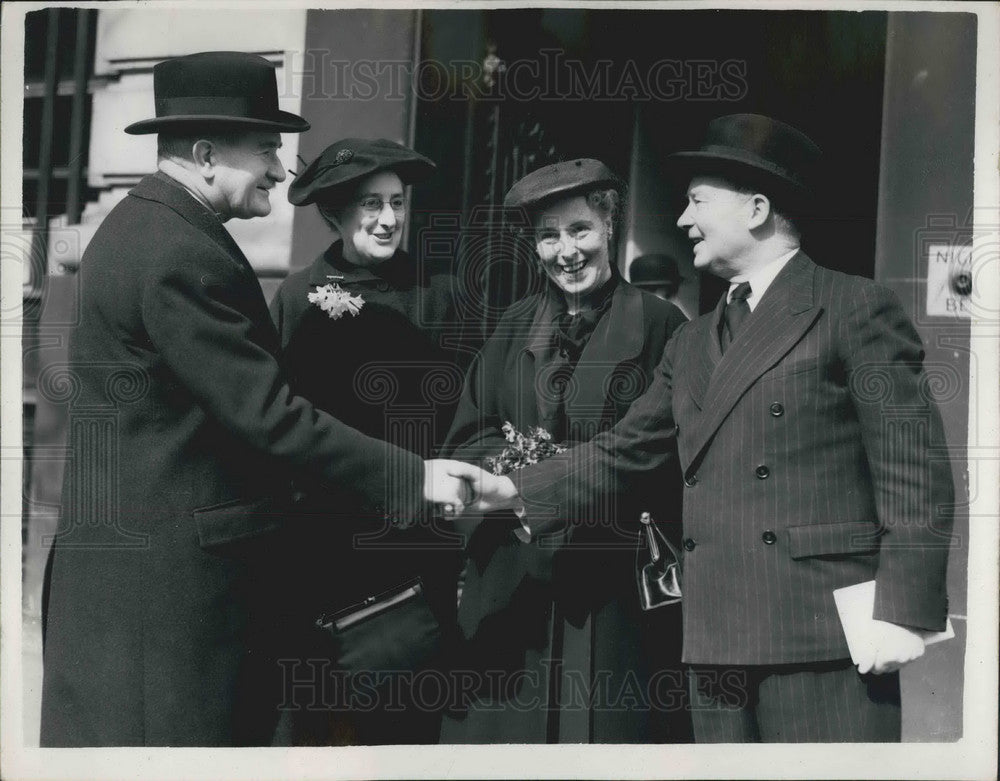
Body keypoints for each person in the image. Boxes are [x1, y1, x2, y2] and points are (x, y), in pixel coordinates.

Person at [39, 52, 482, 747]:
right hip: (167, 600)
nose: (280, 170)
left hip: (137, 587)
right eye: (268, 150)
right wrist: (416, 476)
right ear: (206, 155)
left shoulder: (143, 227)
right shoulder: (182, 254)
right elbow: (269, 414)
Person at [469, 114, 954, 743]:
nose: (682, 220)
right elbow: (625, 451)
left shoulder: (853, 307)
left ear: (756, 209)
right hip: (714, 641)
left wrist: (905, 610)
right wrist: (513, 489)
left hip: (822, 637)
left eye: (697, 202)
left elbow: (913, 467)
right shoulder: (692, 340)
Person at [439, 159, 690, 743]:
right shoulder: (513, 325)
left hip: (611, 578)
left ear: (610, 228)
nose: (566, 251)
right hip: (516, 573)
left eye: (580, 230)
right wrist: (510, 468)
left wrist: (565, 483)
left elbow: (664, 448)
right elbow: (470, 434)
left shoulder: (661, 325)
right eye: (549, 236)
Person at [269, 138, 464, 745]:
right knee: (324, 722)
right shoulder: (297, 298)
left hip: (417, 540)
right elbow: (275, 422)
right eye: (370, 204)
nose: (388, 219)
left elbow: (466, 413)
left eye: (397, 203)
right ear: (335, 212)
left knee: (407, 719)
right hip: (324, 543)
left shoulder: (440, 293)